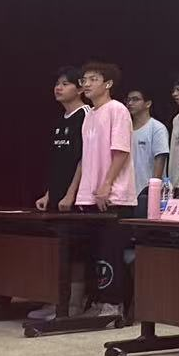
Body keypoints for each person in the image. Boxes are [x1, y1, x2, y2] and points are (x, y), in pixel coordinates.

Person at [75, 62, 138, 318]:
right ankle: (97, 301)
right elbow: (86, 158)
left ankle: (114, 305)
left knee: (111, 253)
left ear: (108, 84)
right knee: (93, 252)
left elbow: (120, 151)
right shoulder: (89, 115)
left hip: (114, 196)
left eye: (93, 79)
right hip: (91, 195)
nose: (86, 84)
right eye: (84, 79)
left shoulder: (117, 110)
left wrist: (107, 184)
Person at [36, 66, 87, 212]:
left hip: (77, 199)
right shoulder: (59, 120)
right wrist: (48, 194)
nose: (58, 88)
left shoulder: (87, 116)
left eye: (65, 84)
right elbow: (57, 161)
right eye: (57, 84)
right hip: (56, 197)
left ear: (80, 89)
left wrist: (71, 194)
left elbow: (85, 159)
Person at [125, 88, 170, 191]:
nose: (130, 103)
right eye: (128, 100)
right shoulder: (124, 128)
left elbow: (160, 160)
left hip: (147, 191)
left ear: (148, 103)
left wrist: (153, 190)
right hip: (126, 192)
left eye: (135, 99)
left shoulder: (157, 128)